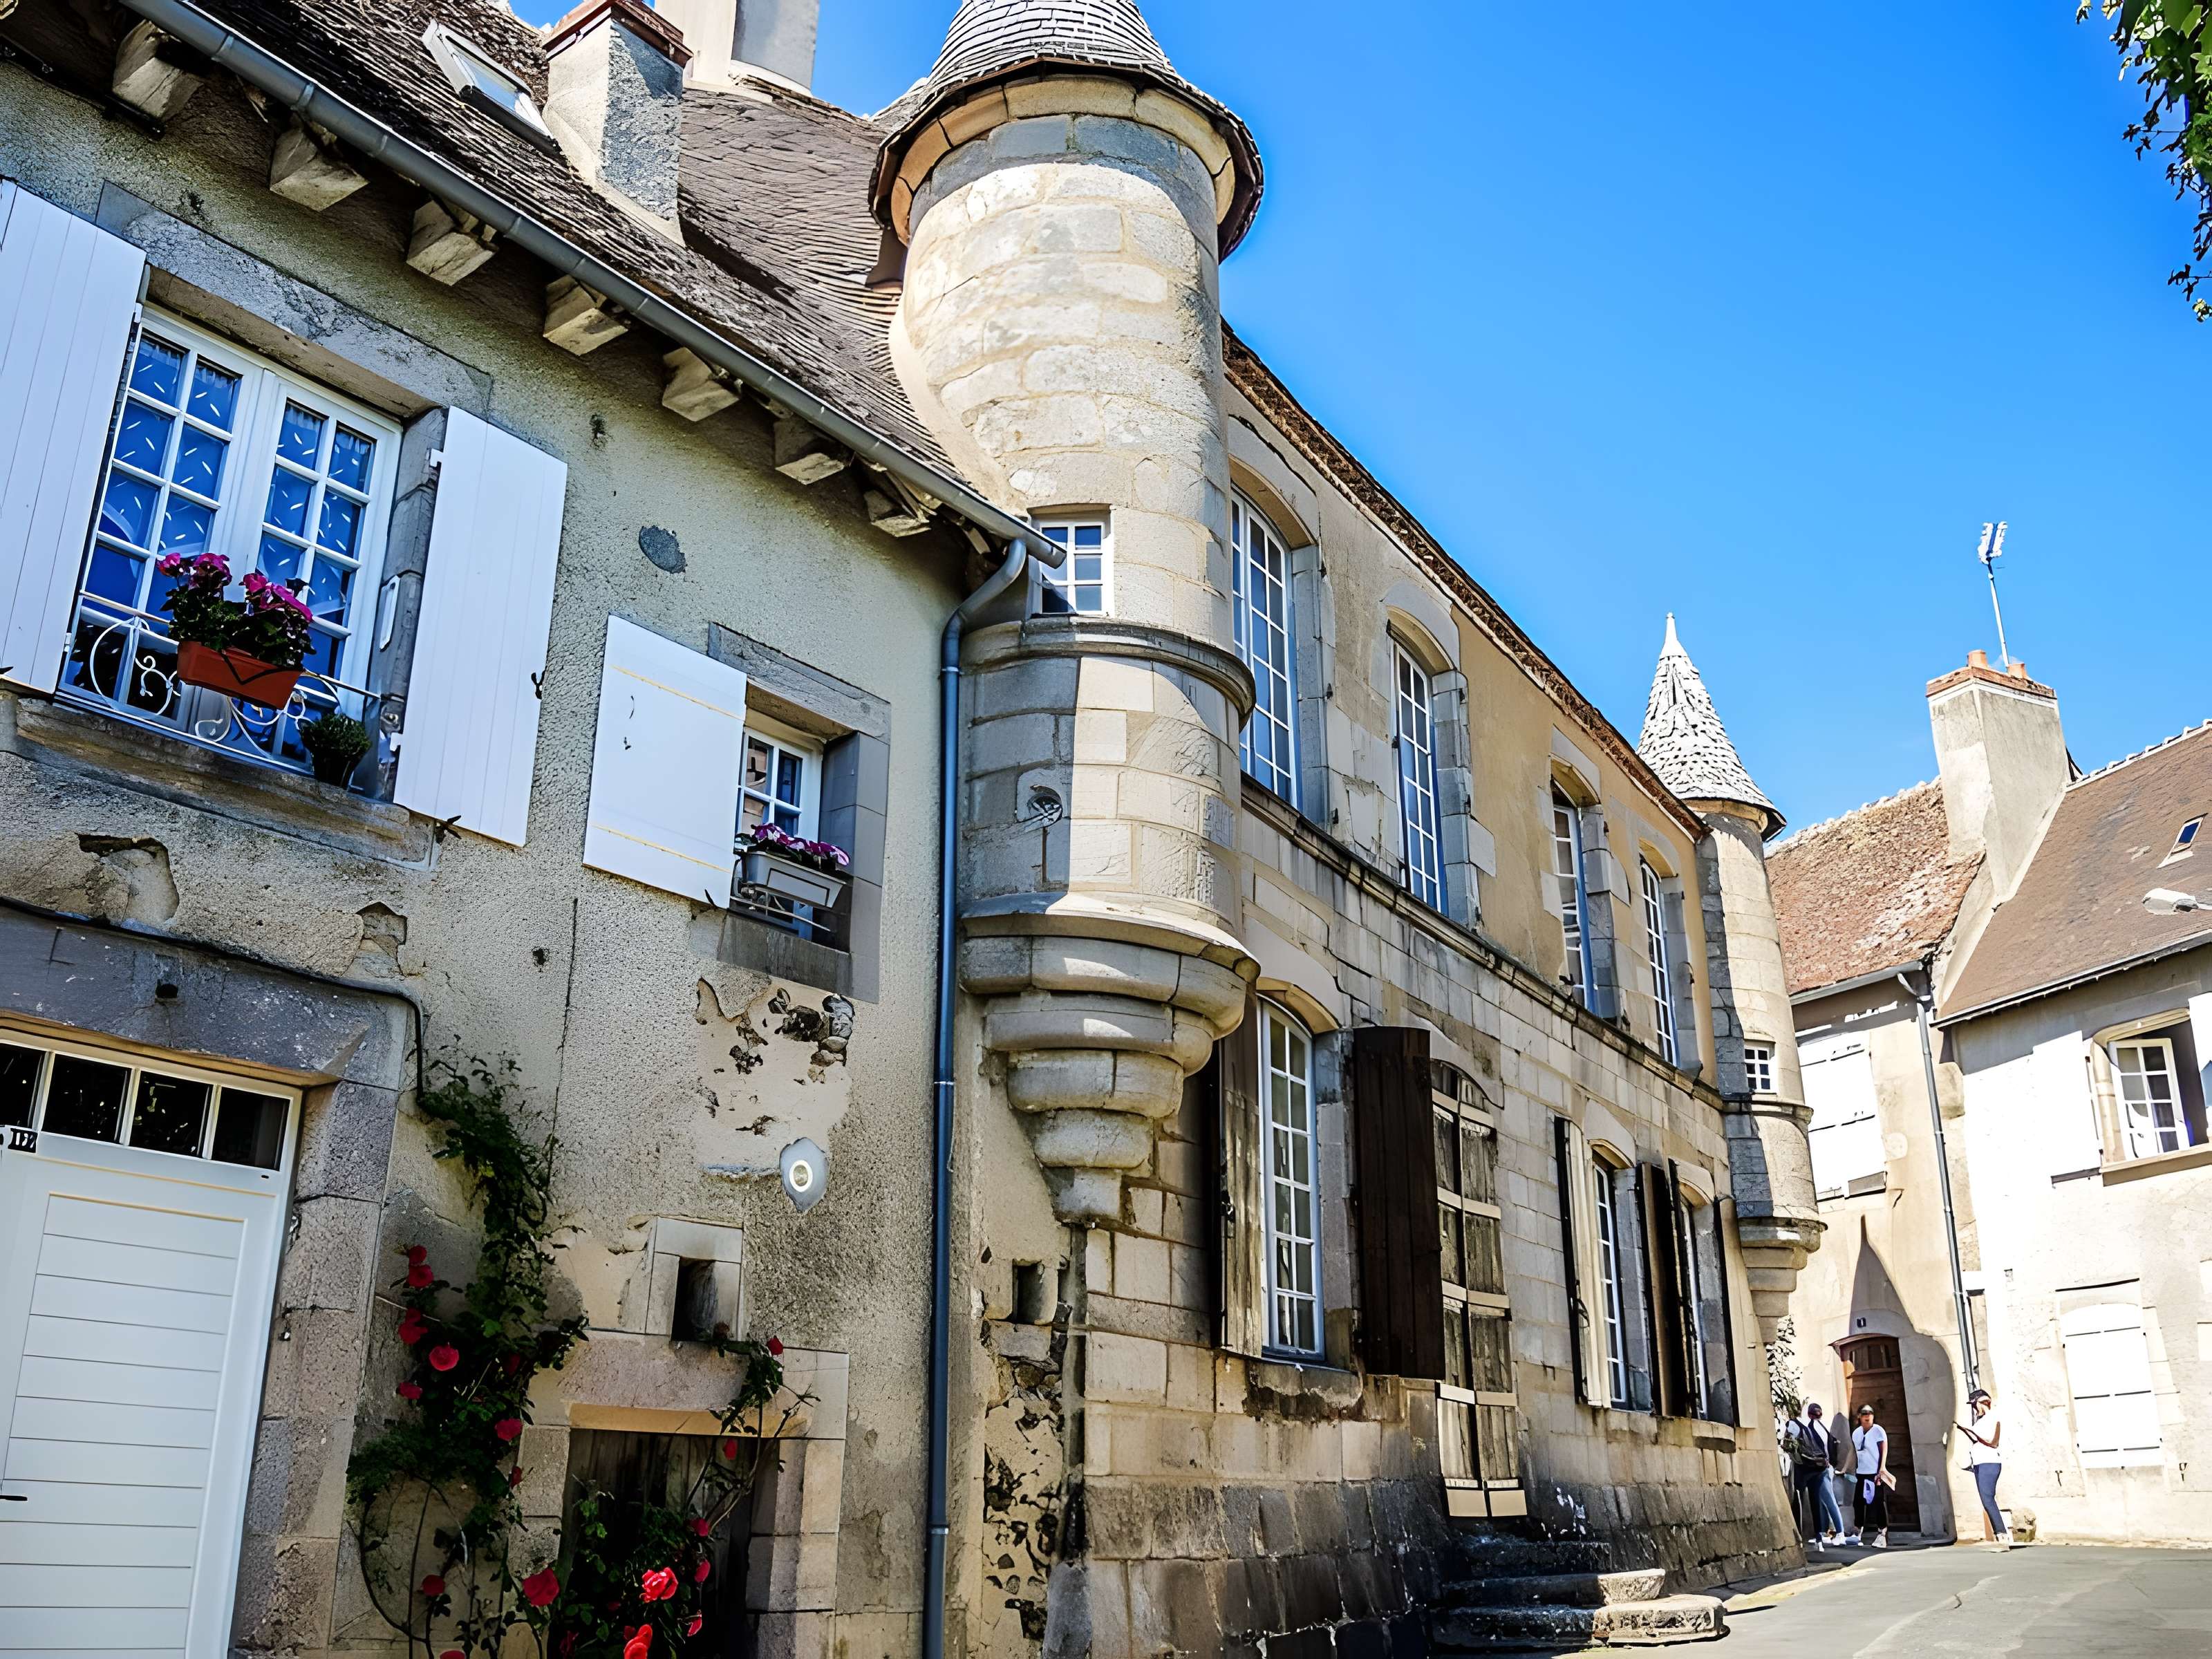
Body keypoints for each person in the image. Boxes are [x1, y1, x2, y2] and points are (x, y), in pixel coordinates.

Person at [1788, 1402, 1846, 1546]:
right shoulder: (1823, 1426)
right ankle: (1823, 1533)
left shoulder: (1811, 1428)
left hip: (1821, 1468)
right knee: (1822, 1502)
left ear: (1809, 1414)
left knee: (1829, 1501)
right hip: (1828, 1466)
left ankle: (1840, 1533)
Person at [1960, 1387, 2012, 1549]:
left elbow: (1993, 1441)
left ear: (1981, 1404)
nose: (1974, 1409)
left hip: (1989, 1462)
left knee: (1987, 1498)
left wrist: (1972, 1434)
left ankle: (2002, 1534)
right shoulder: (1981, 1421)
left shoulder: (1993, 1418)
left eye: (1975, 1405)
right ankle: (2000, 1535)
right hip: (1980, 1463)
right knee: (1986, 1499)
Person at [1852, 1402, 1892, 1548]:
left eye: (1870, 1413)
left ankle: (1882, 1533)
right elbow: (1855, 1453)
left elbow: (1884, 1450)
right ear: (1859, 1417)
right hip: (1861, 1472)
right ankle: (1858, 1531)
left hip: (1874, 1473)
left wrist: (1881, 1470)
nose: (1867, 1416)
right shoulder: (1856, 1433)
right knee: (1858, 1502)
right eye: (1864, 1413)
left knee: (1878, 1502)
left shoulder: (1878, 1431)